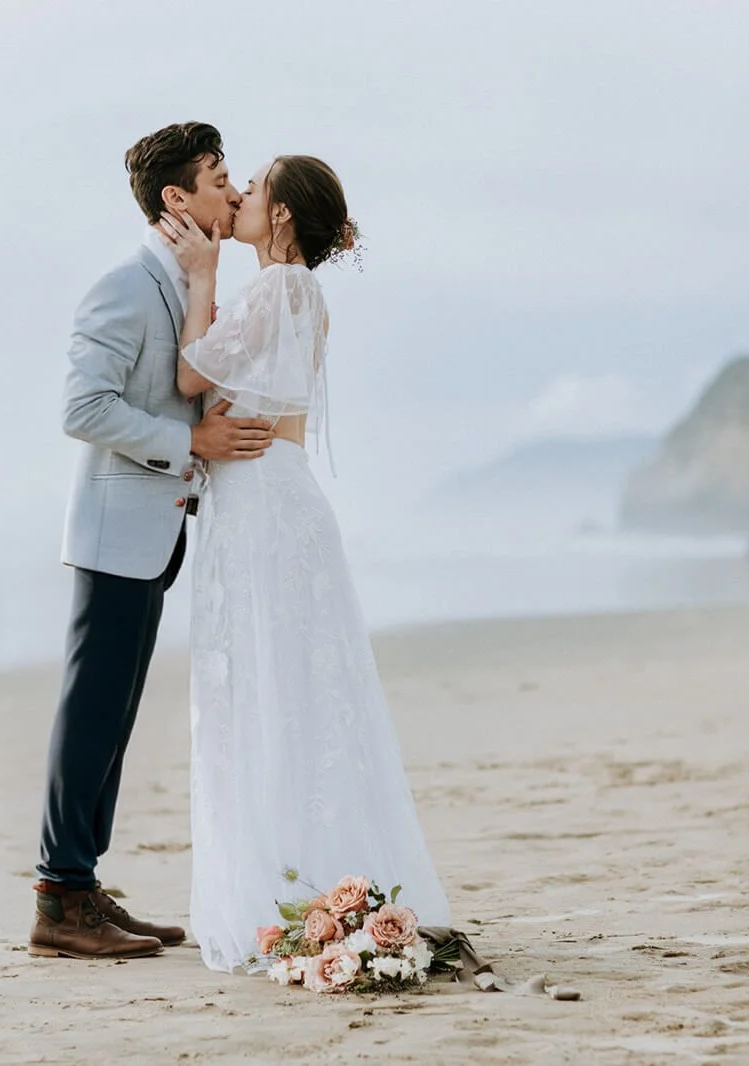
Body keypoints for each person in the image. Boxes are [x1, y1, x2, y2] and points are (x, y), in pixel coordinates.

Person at [156, 155, 451, 972]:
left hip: (259, 507)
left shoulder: (277, 290)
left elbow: (189, 375)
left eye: (255, 186)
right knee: (291, 691)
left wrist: (201, 276)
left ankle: (284, 886)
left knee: (261, 690)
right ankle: (308, 882)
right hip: (270, 497)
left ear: (282, 215)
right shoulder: (302, 298)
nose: (242, 195)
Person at [28, 122, 279, 960]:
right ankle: (59, 901)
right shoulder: (122, 287)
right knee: (92, 713)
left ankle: (81, 886)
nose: (234, 192)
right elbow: (82, 409)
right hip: (114, 529)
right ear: (177, 198)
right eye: (218, 179)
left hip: (155, 531)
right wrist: (191, 446)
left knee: (114, 716)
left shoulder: (184, 280)